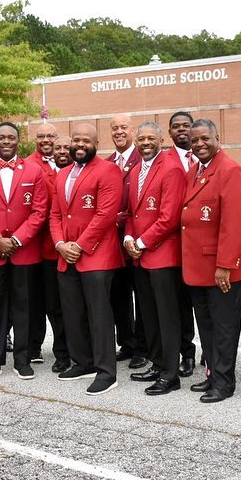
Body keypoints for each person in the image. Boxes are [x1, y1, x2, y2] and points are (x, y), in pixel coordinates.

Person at [0, 123, 49, 382]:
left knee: (23, 307)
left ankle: (23, 360)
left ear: (18, 141)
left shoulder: (34, 171)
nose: (4, 141)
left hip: (23, 251)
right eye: (0, 137)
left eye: (10, 138)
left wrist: (15, 239)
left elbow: (39, 212)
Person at [180, 119, 241, 403]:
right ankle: (212, 374)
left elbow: (235, 223)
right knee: (207, 326)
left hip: (220, 267)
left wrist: (226, 264)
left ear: (217, 138)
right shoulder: (196, 171)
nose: (199, 144)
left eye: (204, 139)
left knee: (223, 327)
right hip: (198, 266)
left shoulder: (230, 170)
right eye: (194, 140)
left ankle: (224, 382)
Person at [49, 123, 124, 396]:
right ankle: (83, 362)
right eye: (76, 140)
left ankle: (106, 372)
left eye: (86, 141)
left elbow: (105, 216)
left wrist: (78, 246)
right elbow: (55, 214)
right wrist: (60, 244)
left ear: (96, 142)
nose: (80, 145)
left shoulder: (108, 171)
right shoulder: (63, 174)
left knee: (99, 316)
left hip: (96, 256)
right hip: (66, 255)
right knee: (73, 313)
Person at [123, 122, 186, 395]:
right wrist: (128, 239)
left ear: (161, 139)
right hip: (140, 256)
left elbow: (169, 217)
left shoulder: (171, 169)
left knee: (167, 317)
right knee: (149, 316)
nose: (145, 142)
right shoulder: (136, 169)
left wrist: (141, 241)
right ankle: (158, 363)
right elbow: (132, 214)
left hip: (162, 255)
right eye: (141, 138)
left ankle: (171, 374)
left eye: (151, 138)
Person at [25, 122, 69, 370]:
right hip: (32, 245)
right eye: (40, 136)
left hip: (57, 248)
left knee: (57, 304)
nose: (45, 140)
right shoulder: (28, 164)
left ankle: (63, 351)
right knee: (33, 302)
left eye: (50, 136)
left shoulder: (69, 166)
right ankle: (33, 348)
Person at [107, 114, 146, 369]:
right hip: (114, 242)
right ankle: (127, 343)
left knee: (142, 298)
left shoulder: (143, 158)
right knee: (118, 296)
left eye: (123, 127)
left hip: (140, 239)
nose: (119, 131)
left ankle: (143, 347)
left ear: (132, 130)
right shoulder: (108, 162)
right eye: (115, 128)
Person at [167, 110, 198, 377]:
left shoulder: (206, 154)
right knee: (180, 304)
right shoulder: (163, 160)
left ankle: (212, 354)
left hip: (201, 245)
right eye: (176, 127)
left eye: (186, 126)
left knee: (205, 303)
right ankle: (186, 353)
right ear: (170, 133)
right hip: (173, 244)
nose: (181, 130)